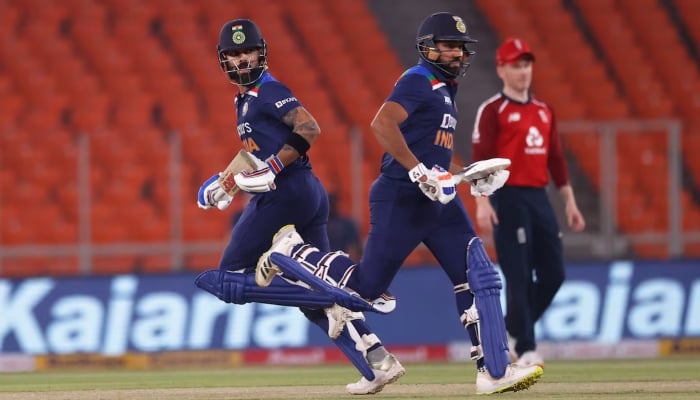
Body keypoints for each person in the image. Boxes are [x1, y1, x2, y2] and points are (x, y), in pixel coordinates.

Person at [255, 12, 543, 395]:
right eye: (449, 45)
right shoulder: (418, 80)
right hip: (402, 197)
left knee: (480, 275)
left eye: (460, 46)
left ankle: (493, 369)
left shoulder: (444, 89)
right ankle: (294, 252)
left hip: (438, 200)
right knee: (365, 288)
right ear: (428, 48)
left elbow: (433, 155)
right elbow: (382, 124)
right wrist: (420, 172)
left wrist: (465, 172)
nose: (457, 53)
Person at [193, 19, 404, 395]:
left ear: (262, 53)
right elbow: (255, 157)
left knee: (222, 279)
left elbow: (309, 128)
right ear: (224, 60)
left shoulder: (268, 89)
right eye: (234, 54)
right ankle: (377, 363)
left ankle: (284, 256)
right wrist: (224, 183)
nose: (242, 60)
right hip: (306, 193)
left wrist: (271, 168)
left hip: (285, 194)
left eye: (248, 52)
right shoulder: (244, 99)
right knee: (317, 298)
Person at [471, 37, 586, 368]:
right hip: (508, 196)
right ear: (501, 69)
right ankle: (528, 345)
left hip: (539, 197)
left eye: (526, 65)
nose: (522, 72)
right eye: (515, 66)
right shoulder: (494, 110)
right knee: (518, 274)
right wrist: (482, 201)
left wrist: (570, 202)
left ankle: (508, 331)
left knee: (554, 274)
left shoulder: (544, 110)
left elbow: (556, 160)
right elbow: (481, 158)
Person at [327, 192, 363, 260]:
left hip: (343, 261)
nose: (331, 206)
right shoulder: (319, 225)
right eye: (330, 203)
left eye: (333, 203)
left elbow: (353, 248)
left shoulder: (347, 224)